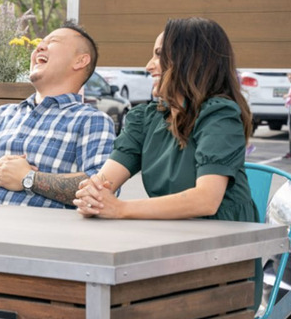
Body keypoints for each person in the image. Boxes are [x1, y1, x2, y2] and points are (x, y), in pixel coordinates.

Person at [74, 17, 258, 223]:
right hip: (172, 236)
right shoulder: (145, 118)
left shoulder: (219, 116)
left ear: (191, 60)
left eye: (159, 55)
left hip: (226, 243)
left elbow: (206, 200)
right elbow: (103, 184)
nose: (148, 66)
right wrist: (91, 195)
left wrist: (120, 208)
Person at [0, 21, 115, 208]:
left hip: (41, 235)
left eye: (53, 41)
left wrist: (28, 179)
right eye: (40, 43)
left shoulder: (92, 120)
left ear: (80, 61)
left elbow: (103, 188)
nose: (39, 47)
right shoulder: (2, 115)